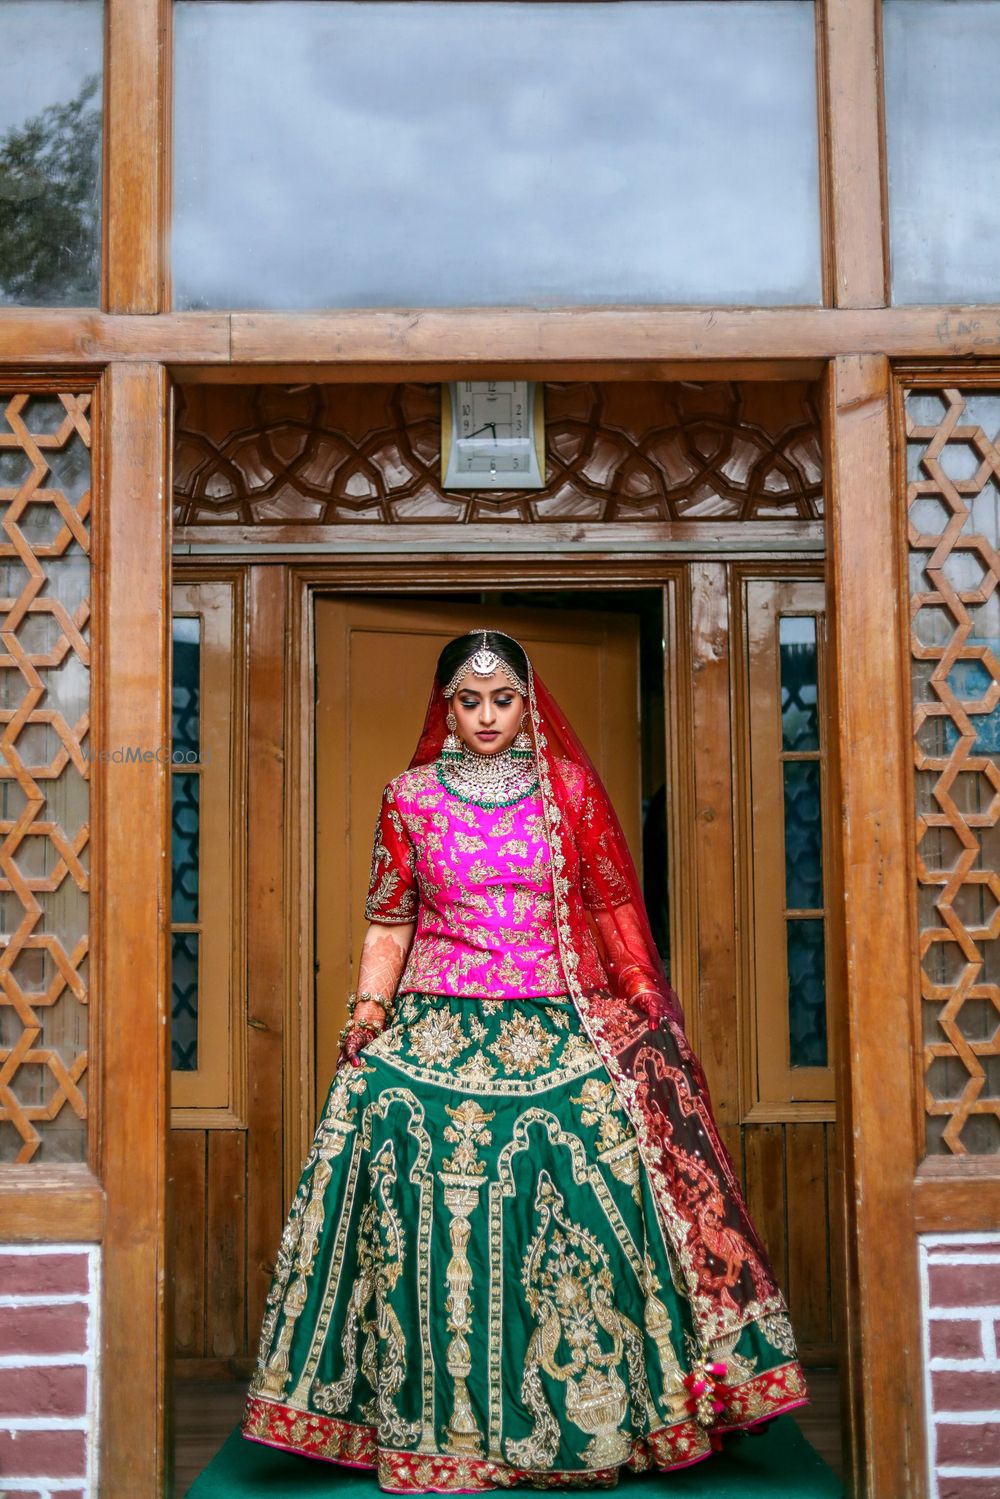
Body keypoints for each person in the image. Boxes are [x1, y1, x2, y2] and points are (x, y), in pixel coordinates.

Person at [242, 628, 806, 1492]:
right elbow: (391, 918)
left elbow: (614, 908)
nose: (487, 717)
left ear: (527, 701)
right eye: (469, 701)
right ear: (447, 707)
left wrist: (644, 1005)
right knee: (378, 1105)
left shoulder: (568, 790)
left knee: (606, 1132)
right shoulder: (410, 797)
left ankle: (617, 1412)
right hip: (436, 1023)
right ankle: (411, 1422)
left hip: (556, 1012)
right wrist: (367, 1013)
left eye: (503, 699)